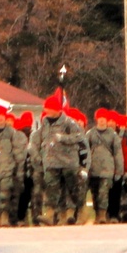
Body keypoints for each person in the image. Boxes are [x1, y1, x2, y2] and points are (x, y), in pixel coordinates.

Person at [34, 95, 87, 225]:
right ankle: (50, 214)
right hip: (51, 162)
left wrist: (63, 138)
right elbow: (40, 139)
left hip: (68, 162)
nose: (46, 111)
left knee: (71, 189)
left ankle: (74, 213)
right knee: (52, 189)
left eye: (49, 108)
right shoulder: (44, 123)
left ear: (56, 109)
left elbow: (80, 136)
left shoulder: (69, 123)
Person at [87, 108, 124, 224]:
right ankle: (97, 214)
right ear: (96, 119)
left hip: (107, 168)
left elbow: (118, 153)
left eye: (104, 118)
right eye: (100, 118)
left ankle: (102, 214)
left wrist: (119, 170)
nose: (102, 121)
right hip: (93, 168)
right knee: (95, 193)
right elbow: (85, 151)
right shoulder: (90, 134)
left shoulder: (112, 135)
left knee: (104, 192)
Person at [13, 111, 35, 226]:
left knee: (25, 195)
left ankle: (22, 218)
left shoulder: (33, 136)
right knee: (23, 195)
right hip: (22, 170)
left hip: (28, 170)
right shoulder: (19, 137)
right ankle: (21, 218)